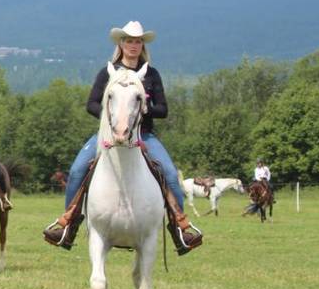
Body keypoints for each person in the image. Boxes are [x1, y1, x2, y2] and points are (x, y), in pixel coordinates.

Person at [42, 21, 202, 255]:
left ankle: (180, 228)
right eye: (129, 41)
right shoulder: (108, 72)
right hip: (107, 134)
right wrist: (112, 117)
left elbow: (164, 110)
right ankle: (68, 225)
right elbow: (91, 104)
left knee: (169, 173)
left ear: (142, 45)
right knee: (77, 170)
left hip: (143, 135)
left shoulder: (151, 74)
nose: (133, 45)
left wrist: (143, 109)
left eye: (138, 41)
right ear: (121, 44)